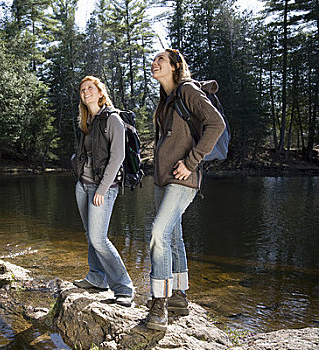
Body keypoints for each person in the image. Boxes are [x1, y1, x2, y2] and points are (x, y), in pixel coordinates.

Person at [146, 49, 225, 331]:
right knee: (173, 237)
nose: (154, 63)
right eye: (153, 60)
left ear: (176, 66)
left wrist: (191, 162)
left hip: (182, 178)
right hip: (162, 180)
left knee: (158, 234)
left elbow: (216, 124)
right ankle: (179, 296)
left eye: (160, 60)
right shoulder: (166, 100)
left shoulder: (187, 90)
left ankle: (159, 303)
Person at [71, 76, 134, 307]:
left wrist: (103, 188)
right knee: (91, 236)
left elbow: (118, 157)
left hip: (102, 189)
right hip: (83, 185)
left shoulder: (112, 119)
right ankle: (97, 278)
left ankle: (124, 288)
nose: (85, 92)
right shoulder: (88, 121)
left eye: (90, 88)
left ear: (100, 92)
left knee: (99, 239)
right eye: (82, 89)